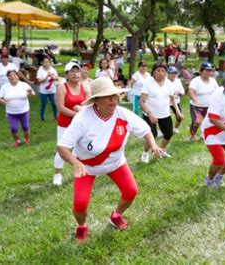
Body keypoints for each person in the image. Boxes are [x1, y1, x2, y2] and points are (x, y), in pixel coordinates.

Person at [57, 77, 164, 242]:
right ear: (96, 100)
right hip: (87, 167)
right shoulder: (82, 118)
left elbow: (145, 129)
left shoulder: (123, 114)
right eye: (108, 97)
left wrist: (153, 145)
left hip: (115, 163)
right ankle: (81, 226)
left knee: (131, 191)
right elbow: (62, 147)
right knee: (80, 204)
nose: (114, 100)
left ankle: (116, 216)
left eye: (115, 96)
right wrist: (75, 162)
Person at [53, 62, 91, 186]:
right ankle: (57, 174)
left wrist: (81, 109)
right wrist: (77, 114)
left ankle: (80, 170)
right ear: (66, 74)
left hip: (81, 125)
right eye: (72, 71)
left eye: (77, 71)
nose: (75, 74)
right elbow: (61, 108)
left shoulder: (85, 87)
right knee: (62, 149)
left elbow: (89, 104)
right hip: (65, 124)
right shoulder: (61, 88)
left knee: (81, 148)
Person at [140, 62, 182, 163]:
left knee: (168, 134)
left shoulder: (168, 83)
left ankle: (161, 151)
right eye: (158, 71)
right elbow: (141, 102)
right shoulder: (148, 83)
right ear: (153, 72)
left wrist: (177, 111)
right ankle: (145, 154)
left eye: (163, 71)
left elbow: (172, 98)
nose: (160, 73)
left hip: (165, 114)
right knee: (152, 135)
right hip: (150, 115)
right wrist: (150, 114)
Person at [0, 70, 36, 147]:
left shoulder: (24, 85)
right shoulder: (5, 87)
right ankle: (17, 141)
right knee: (13, 128)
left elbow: (33, 94)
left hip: (24, 111)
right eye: (10, 76)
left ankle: (26, 139)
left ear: (18, 76)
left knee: (25, 126)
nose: (12, 77)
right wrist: (1, 101)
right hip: (11, 112)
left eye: (14, 75)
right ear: (8, 78)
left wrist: (31, 92)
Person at [187, 62, 219, 141]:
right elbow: (190, 91)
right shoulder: (196, 81)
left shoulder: (213, 81)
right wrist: (195, 99)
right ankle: (193, 135)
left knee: (209, 122)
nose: (208, 72)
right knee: (196, 122)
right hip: (196, 106)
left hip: (209, 106)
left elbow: (217, 92)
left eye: (210, 71)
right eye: (206, 70)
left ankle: (203, 134)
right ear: (201, 71)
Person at [166, 66, 185, 133]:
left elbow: (182, 90)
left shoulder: (178, 80)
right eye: (172, 73)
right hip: (166, 102)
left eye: (175, 73)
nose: (174, 75)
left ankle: (175, 128)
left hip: (176, 101)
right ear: (168, 73)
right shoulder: (165, 81)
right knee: (165, 118)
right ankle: (166, 130)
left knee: (179, 117)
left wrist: (181, 93)